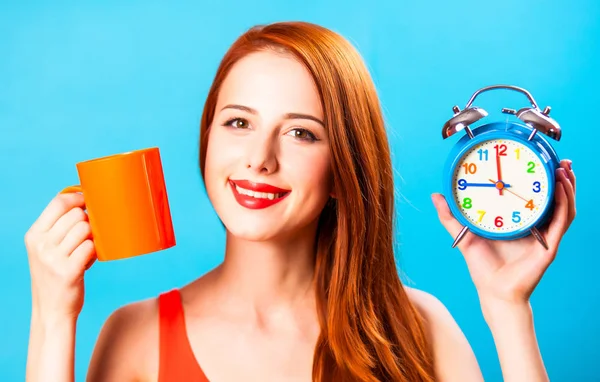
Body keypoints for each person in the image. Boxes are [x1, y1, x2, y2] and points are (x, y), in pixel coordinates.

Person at [25, 21, 576, 382]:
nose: (259, 159)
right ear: (207, 140)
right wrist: (53, 317)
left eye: (301, 134)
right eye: (238, 122)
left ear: (344, 170)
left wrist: (508, 310)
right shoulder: (135, 334)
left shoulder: (418, 327)